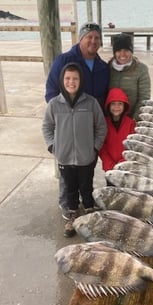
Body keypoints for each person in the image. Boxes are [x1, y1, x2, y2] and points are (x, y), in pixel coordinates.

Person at [45, 22, 109, 220]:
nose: (93, 41)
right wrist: (55, 142)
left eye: (96, 37)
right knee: (68, 173)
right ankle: (68, 205)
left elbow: (106, 95)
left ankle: (87, 203)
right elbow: (51, 92)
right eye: (88, 36)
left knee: (85, 171)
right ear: (80, 39)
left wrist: (96, 145)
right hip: (67, 121)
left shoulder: (103, 66)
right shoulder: (64, 60)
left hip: (90, 122)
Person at [42, 62, 107, 237]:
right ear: (62, 81)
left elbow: (101, 127)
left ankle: (89, 213)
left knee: (86, 187)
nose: (71, 82)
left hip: (86, 157)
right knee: (70, 189)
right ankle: (72, 216)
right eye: (68, 78)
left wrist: (95, 148)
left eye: (75, 78)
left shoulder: (91, 103)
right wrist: (52, 146)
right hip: (64, 158)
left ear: (81, 80)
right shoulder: (55, 104)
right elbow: (47, 127)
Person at [109, 33, 151, 120]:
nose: (122, 54)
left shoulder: (141, 69)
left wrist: (133, 121)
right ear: (114, 52)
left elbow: (144, 98)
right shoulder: (107, 68)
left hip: (131, 118)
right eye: (119, 51)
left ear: (131, 51)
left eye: (126, 50)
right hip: (111, 120)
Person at [99, 87, 136, 173]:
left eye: (120, 104)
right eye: (113, 104)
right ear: (108, 105)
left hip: (126, 167)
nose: (116, 107)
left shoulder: (130, 123)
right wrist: (109, 165)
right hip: (110, 168)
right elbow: (102, 147)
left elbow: (133, 146)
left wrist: (122, 163)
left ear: (124, 105)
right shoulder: (104, 123)